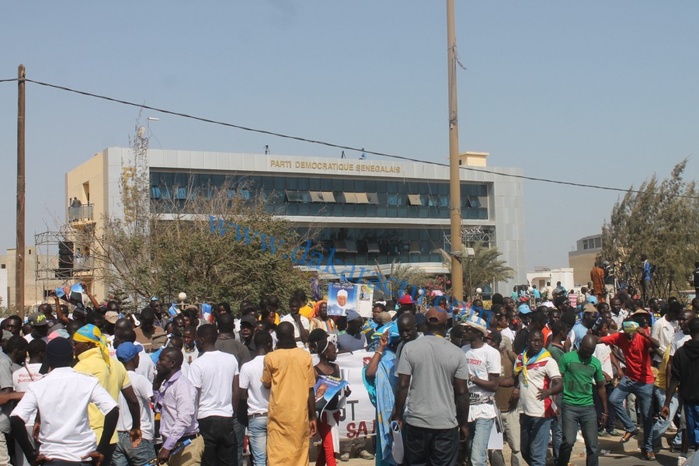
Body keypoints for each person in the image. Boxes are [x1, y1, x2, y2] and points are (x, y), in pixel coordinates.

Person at [11, 337, 118, 466]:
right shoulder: (87, 381)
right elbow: (112, 410)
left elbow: (16, 419)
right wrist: (101, 449)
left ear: (48, 358)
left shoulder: (38, 386)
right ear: (72, 356)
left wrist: (31, 455)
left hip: (52, 457)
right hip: (83, 456)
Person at [391, 307, 470, 466]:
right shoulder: (457, 353)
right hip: (446, 425)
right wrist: (463, 424)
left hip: (417, 423)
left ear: (425, 324)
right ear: (446, 324)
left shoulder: (409, 348)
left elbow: (403, 385)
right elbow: (462, 392)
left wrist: (398, 415)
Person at [72, 323, 141, 465]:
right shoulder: (116, 364)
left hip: (87, 438)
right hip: (110, 438)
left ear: (89, 345)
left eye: (76, 343)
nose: (74, 347)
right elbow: (133, 401)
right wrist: (135, 427)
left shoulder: (81, 367)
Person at [599, 316, 660, 459]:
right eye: (627, 333)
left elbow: (656, 345)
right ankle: (631, 427)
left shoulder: (642, 337)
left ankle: (648, 447)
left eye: (631, 333)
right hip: (629, 378)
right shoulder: (620, 337)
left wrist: (645, 334)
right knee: (614, 399)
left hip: (645, 381)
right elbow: (601, 340)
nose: (629, 336)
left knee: (646, 416)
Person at [262, 321, 317, 466]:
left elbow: (266, 383)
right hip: (300, 415)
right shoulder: (305, 356)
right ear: (293, 335)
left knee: (277, 453)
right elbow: (310, 389)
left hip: (278, 415)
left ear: (277, 337)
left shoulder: (271, 357)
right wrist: (313, 417)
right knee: (300, 453)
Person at [188, 324, 239, 466]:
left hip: (206, 419)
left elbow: (194, 396)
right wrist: (232, 412)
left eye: (197, 339)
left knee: (208, 461)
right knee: (227, 461)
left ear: (202, 339)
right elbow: (236, 390)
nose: (196, 342)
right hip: (227, 418)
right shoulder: (231, 359)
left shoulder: (197, 364)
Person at [513, 330, 563, 466]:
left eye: (540, 341)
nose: (536, 343)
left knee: (537, 455)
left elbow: (560, 384)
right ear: (528, 341)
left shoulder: (548, 361)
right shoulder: (520, 359)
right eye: (533, 340)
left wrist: (549, 391)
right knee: (525, 451)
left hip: (541, 413)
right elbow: (517, 379)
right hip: (524, 411)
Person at [556, 335, 607, 466]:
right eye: (585, 350)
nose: (587, 354)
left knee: (593, 446)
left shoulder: (595, 363)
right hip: (569, 405)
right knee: (568, 441)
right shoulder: (567, 358)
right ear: (580, 346)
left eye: (590, 351)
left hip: (588, 407)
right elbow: (557, 381)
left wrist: (605, 411)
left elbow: (601, 387)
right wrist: (555, 402)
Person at [154, 347, 204, 465]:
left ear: (172, 363)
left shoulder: (183, 386)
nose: (158, 363)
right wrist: (156, 386)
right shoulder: (167, 384)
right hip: (170, 444)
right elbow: (160, 408)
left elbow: (183, 419)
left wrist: (167, 447)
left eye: (161, 360)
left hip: (186, 445)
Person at [462, 315, 500, 466]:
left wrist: (471, 378)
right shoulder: (463, 350)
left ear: (478, 333)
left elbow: (494, 385)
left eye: (468, 329)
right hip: (467, 408)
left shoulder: (491, 353)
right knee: (470, 452)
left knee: (477, 457)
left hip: (484, 408)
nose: (464, 331)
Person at [113, 342, 157, 466]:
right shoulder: (139, 379)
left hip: (117, 436)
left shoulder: (113, 379)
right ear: (134, 358)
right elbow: (156, 400)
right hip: (138, 435)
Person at [309, 329, 349, 466]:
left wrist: (345, 392)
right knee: (330, 448)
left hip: (334, 412)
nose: (336, 353)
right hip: (322, 415)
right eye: (333, 351)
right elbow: (311, 393)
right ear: (326, 354)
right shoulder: (314, 371)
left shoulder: (336, 368)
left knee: (327, 447)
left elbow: (336, 390)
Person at [363, 322, 400, 466]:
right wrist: (380, 348)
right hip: (386, 410)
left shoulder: (407, 355)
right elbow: (370, 372)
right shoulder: (384, 357)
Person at [663, 317, 699, 457]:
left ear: (689, 331)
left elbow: (674, 380)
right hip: (690, 403)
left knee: (692, 438)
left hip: (688, 402)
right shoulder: (681, 352)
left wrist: (667, 403)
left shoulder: (681, 353)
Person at [486, 331, 523, 466]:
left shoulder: (510, 356)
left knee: (516, 446)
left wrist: (516, 387)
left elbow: (521, 374)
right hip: (492, 410)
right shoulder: (484, 357)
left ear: (495, 342)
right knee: (494, 448)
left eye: (488, 340)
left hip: (510, 408)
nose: (485, 342)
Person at [239, 331, 273, 466]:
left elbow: (241, 394)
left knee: (259, 460)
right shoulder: (275, 365)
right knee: (276, 458)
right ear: (270, 344)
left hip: (255, 416)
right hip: (275, 416)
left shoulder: (247, 366)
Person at [11, 339, 45, 466]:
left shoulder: (16, 373)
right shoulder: (48, 372)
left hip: (21, 422)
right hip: (41, 422)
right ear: (42, 354)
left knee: (24, 460)